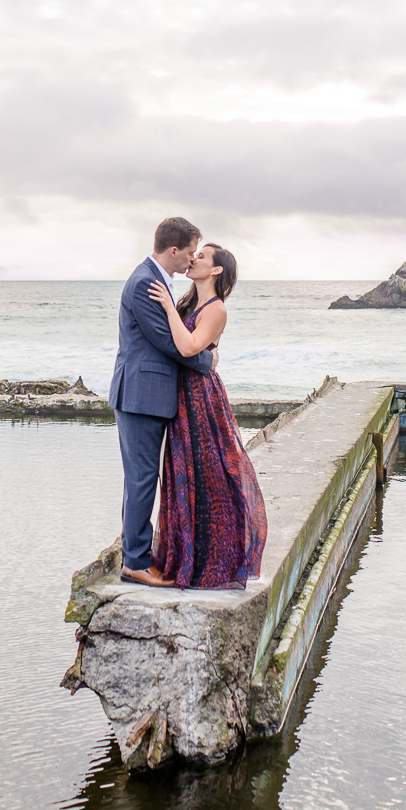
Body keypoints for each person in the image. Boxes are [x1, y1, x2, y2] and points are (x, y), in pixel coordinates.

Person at [148, 243, 267, 589]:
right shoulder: (188, 301)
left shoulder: (216, 309)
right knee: (180, 473)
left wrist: (168, 307)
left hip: (201, 398)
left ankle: (214, 561)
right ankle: (182, 555)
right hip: (181, 395)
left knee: (210, 473)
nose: (193, 257)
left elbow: (187, 347)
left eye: (202, 256)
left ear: (216, 270)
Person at [109, 217, 217, 587]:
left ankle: (135, 553)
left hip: (146, 395)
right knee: (142, 478)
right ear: (173, 250)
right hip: (140, 395)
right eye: (189, 253)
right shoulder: (145, 283)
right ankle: (135, 562)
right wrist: (208, 361)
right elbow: (167, 343)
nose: (191, 260)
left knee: (140, 478)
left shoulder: (156, 280)